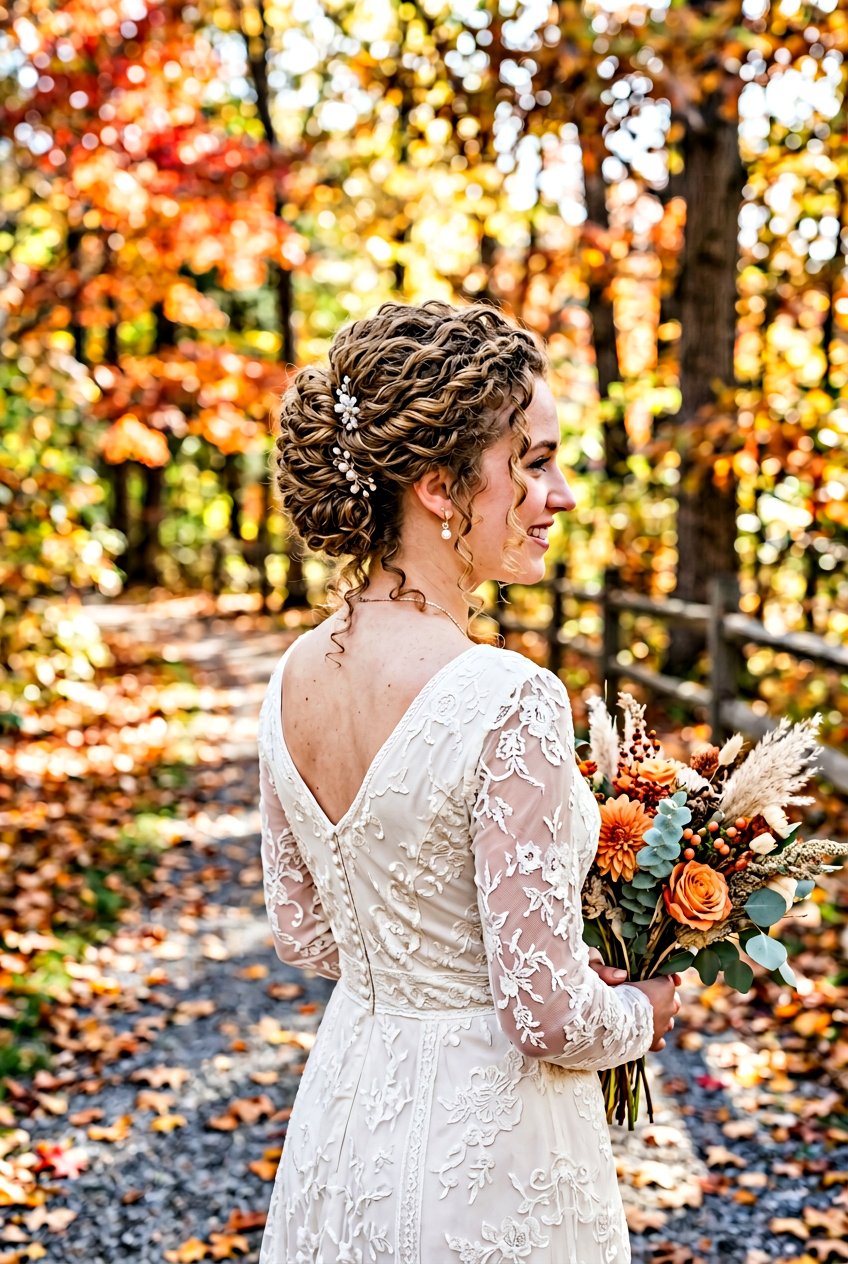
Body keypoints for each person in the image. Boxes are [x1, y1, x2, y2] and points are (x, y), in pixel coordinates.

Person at [256, 300, 679, 1264]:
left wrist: (422, 974)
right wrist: (646, 1011)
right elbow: (546, 1016)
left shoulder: (292, 677)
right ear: (442, 488)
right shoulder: (506, 696)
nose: (560, 494)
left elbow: (305, 932)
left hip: (346, 1124)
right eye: (532, 462)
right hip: (492, 1163)